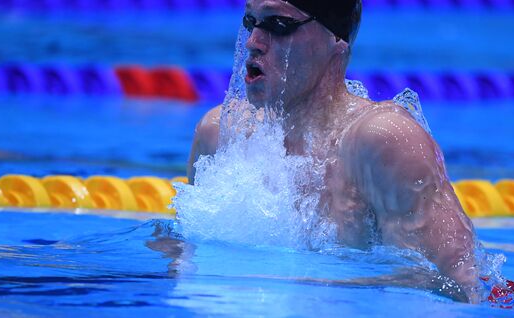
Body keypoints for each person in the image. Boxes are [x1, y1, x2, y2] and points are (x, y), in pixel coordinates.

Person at [187, 0, 482, 302]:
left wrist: (303, 282)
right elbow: (186, 259)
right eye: (251, 22)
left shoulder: (380, 142)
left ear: (336, 40)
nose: (254, 42)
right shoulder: (222, 135)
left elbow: (457, 289)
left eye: (279, 25)